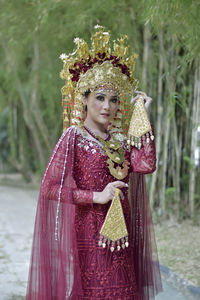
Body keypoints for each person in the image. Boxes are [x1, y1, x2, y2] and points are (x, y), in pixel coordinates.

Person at [26, 26, 162, 300]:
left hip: (121, 234)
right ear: (85, 99)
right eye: (99, 98)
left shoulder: (121, 139)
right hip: (90, 231)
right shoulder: (73, 137)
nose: (107, 107)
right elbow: (49, 188)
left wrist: (140, 116)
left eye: (113, 100)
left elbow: (145, 165)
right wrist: (96, 196)